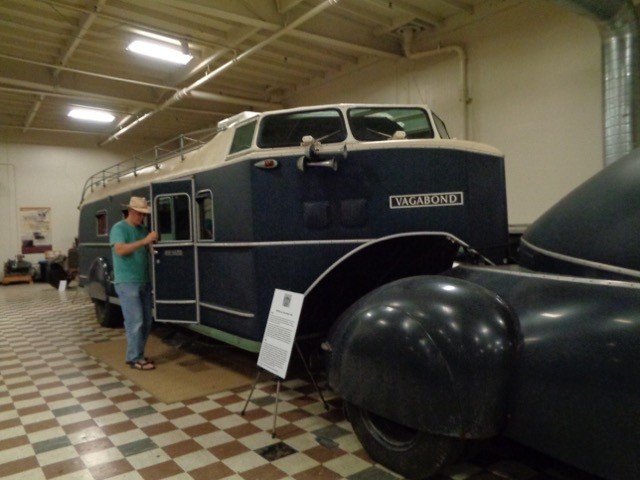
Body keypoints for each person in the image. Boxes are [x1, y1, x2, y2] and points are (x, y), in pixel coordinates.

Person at [110, 196, 158, 371]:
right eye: (139, 214)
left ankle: (138, 354)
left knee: (146, 321)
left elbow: (149, 249)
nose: (142, 218)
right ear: (130, 211)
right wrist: (144, 241)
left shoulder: (142, 229)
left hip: (143, 280)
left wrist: (152, 245)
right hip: (127, 282)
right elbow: (120, 250)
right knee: (135, 321)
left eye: (144, 215)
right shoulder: (119, 229)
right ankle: (134, 358)